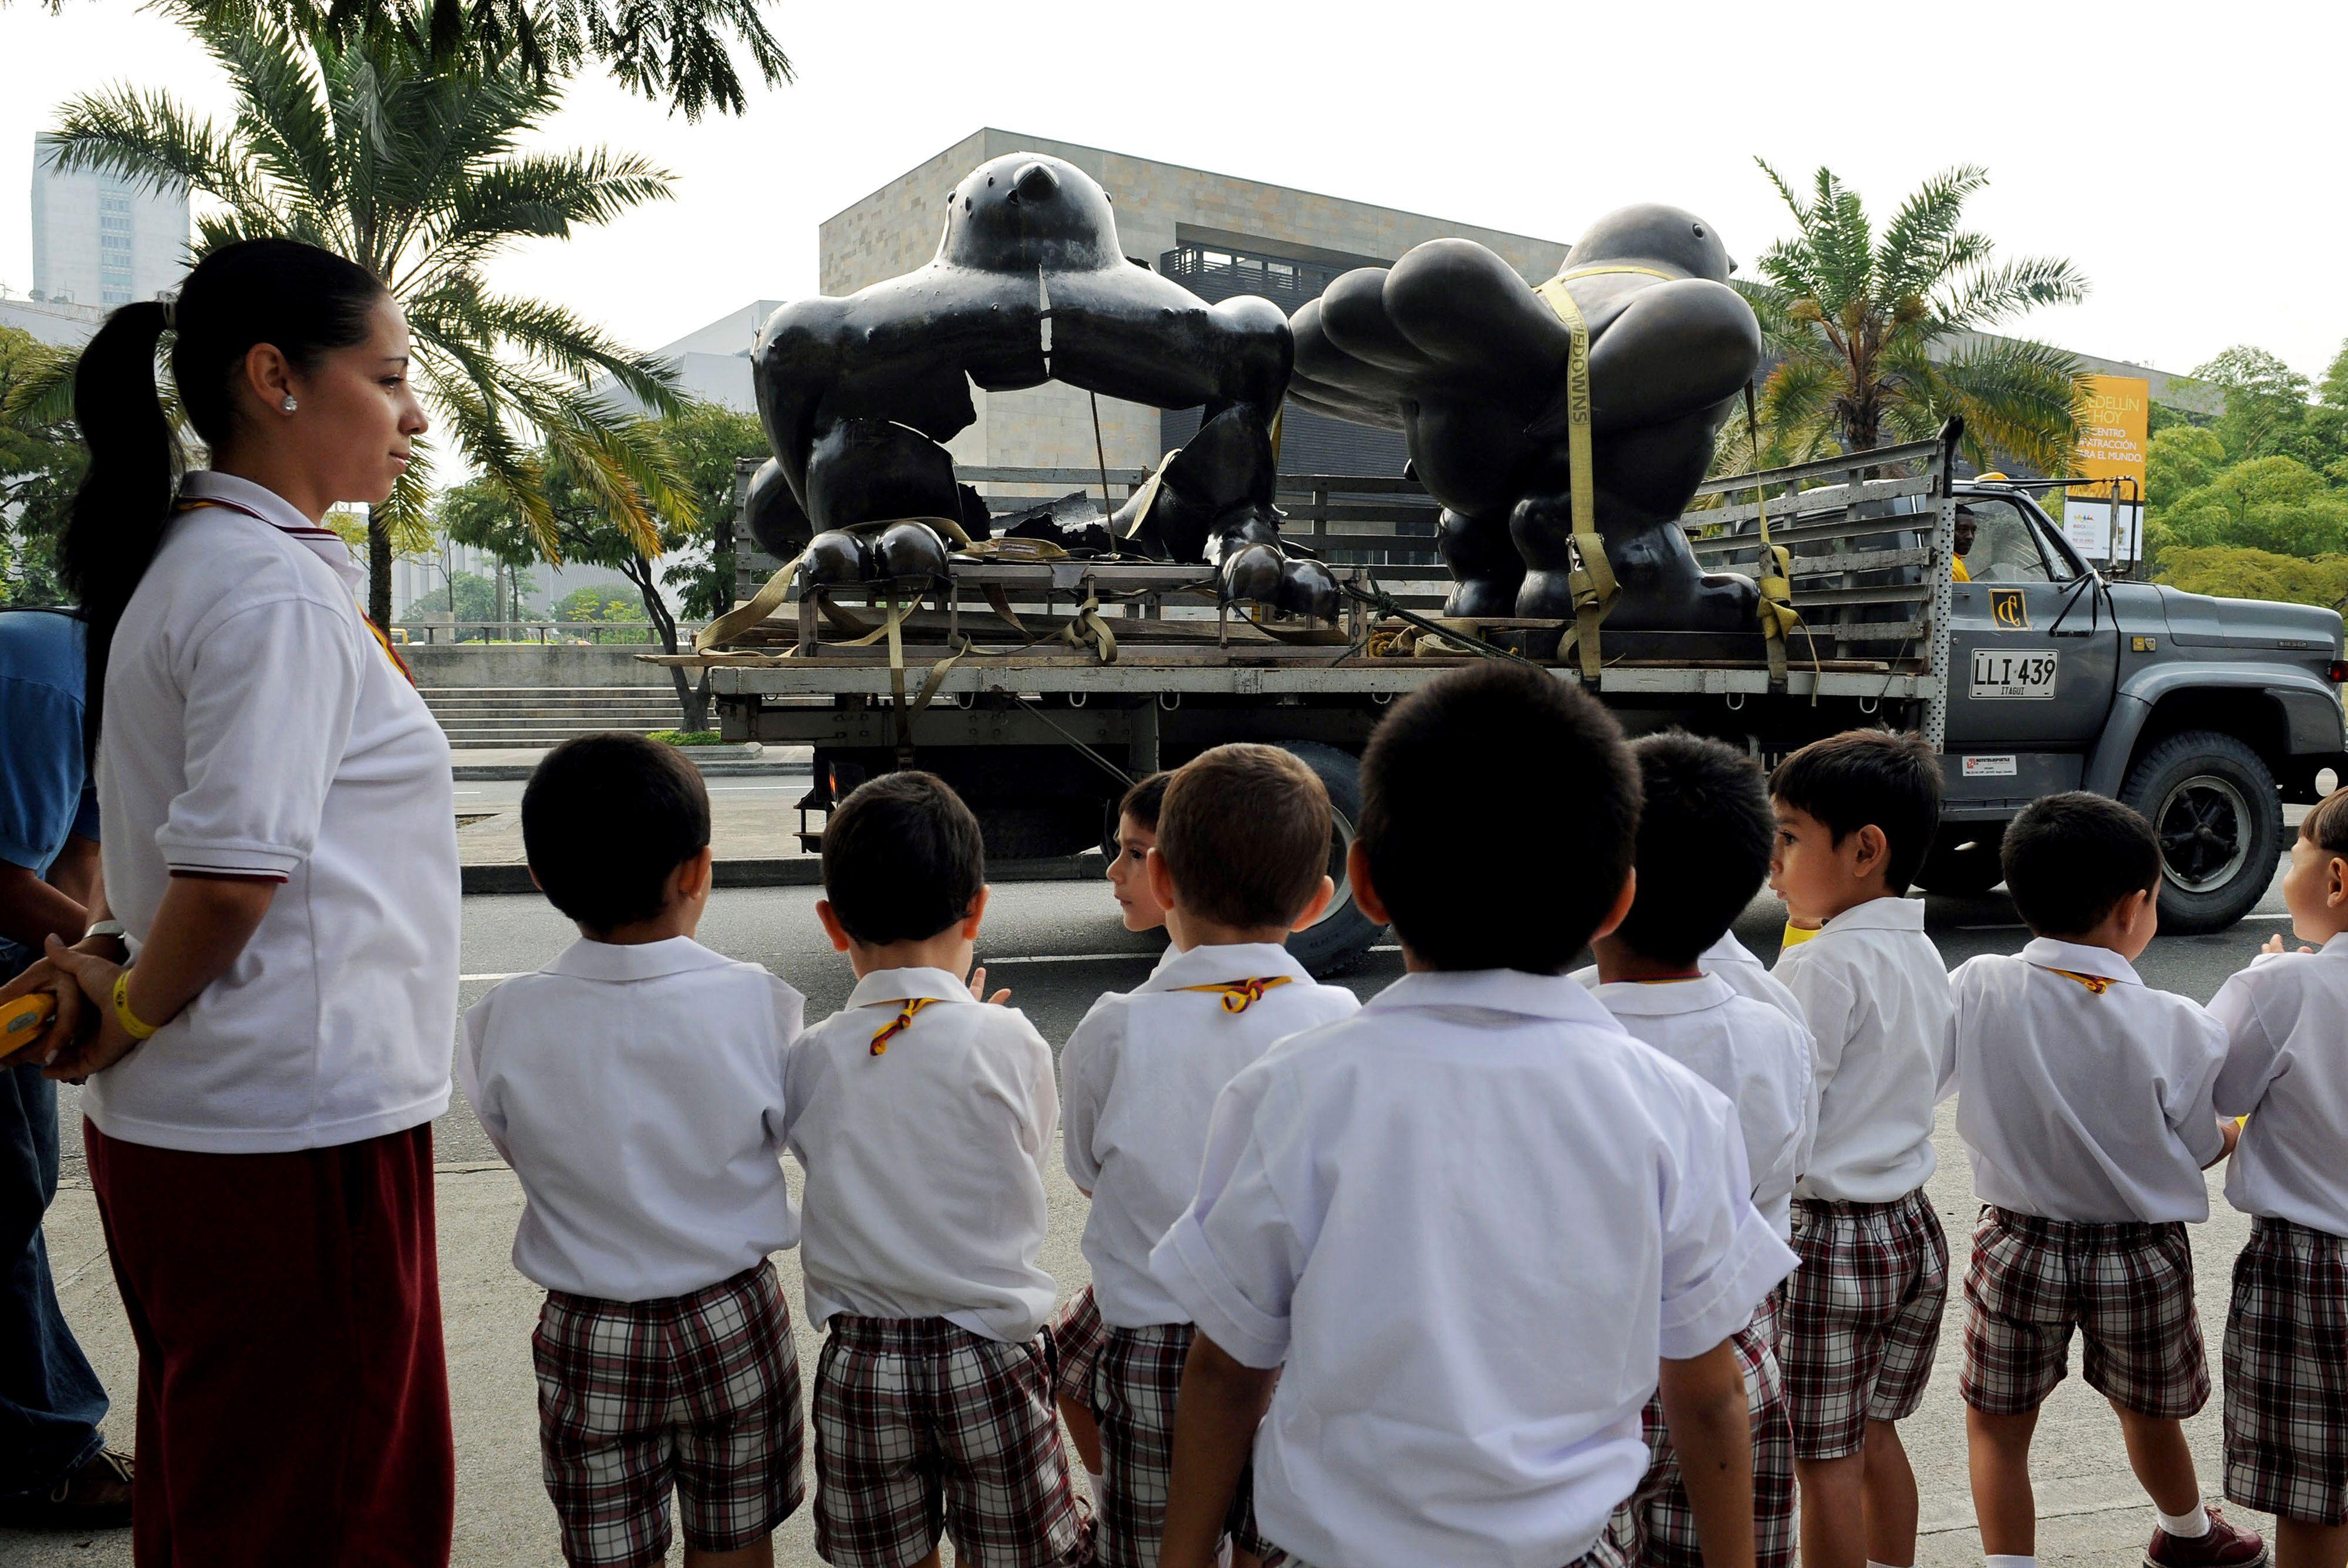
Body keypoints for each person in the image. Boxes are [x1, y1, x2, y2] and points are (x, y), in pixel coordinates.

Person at [0, 236, 458, 1563]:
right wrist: (130, 1002)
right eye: (389, 377)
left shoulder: (203, 563)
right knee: (323, 1510)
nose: (415, 414)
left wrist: (111, 964)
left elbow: (202, 859)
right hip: (292, 1131)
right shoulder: (268, 593)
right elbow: (229, 878)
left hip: (222, 1125)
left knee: (232, 1482)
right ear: (277, 379)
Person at [1151, 663, 1796, 1568]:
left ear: (1364, 883)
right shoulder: (1674, 1109)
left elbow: (1226, 1375)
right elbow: (1709, 1392)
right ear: (1617, 900)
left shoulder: (1290, 1091)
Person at [459, 734, 808, 1568]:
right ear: (698, 869)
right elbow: (793, 1137)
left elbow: (526, 1155)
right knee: (735, 1541)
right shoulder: (759, 1002)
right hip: (732, 1317)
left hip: (590, 1331)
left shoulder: (503, 1021)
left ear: (542, 878)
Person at [1941, 792, 2261, 1568]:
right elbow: (2194, 1147)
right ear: (2133, 907)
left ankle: (2008, 1563)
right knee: (2150, 1412)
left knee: (1997, 1423)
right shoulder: (2177, 1024)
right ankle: (2188, 1536)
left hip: (2015, 1244)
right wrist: (2235, 1133)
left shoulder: (1977, 985)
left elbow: (1932, 1079)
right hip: (2138, 1256)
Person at [1060, 745, 1357, 1567]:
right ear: (1318, 902)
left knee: (1159, 1542)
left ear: (1163, 884)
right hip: (1298, 1346)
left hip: (1155, 1343)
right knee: (1284, 1542)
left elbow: (1088, 1172)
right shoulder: (1340, 1020)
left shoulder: (1115, 1028)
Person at [783, 771, 1087, 1568]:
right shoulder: (1012, 1040)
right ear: (978, 908)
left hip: (863, 1363)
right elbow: (1031, 1142)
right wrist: (973, 1026)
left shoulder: (813, 1055)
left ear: (831, 923)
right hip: (990, 1352)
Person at [1581, 733, 1816, 1568]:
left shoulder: (1564, 1028)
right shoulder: (1773, 1028)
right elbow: (1785, 1174)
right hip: (1736, 1349)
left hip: (1588, 1365)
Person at [1766, 729, 1951, 1568]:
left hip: (1828, 1242)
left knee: (1820, 1456)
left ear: (1866, 850)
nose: (1774, 858)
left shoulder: (1823, 965)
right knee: (1872, 1434)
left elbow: (1782, 1117)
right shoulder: (1919, 950)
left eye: (1791, 835)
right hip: (1910, 1229)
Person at [0, 607, 131, 1530]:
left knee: (24, 1183)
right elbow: (3, 874)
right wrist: (125, 964)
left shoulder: (112, 696)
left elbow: (77, 861)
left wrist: (82, 965)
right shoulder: (48, 683)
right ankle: (42, 1457)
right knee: (3, 1195)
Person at [2208, 787, 2348, 1568]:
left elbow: (2221, 1093)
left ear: (2336, 881)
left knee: (2318, 1503)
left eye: (2297, 852)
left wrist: (2265, 979)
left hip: (2311, 1270)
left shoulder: (2282, 989)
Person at [1056, 768, 1173, 1498]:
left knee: (1067, 1349)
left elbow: (1084, 1171)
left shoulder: (1115, 1024)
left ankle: (1107, 1498)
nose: (1114, 869)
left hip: (1150, 1313)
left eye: (1134, 853)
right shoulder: (1328, 1010)